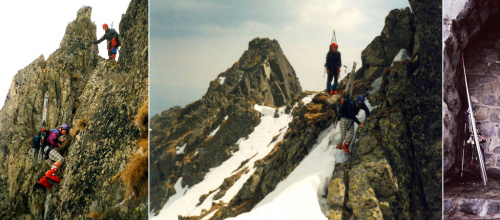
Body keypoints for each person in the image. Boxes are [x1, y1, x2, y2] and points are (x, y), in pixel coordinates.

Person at [38, 124, 70, 189]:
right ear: (62, 128)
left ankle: (43, 180)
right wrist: (57, 144)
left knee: (54, 165)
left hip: (43, 152)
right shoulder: (56, 131)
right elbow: (51, 140)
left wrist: (60, 142)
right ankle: (49, 175)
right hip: (47, 149)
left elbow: (52, 139)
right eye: (66, 131)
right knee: (60, 159)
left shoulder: (53, 131)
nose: (65, 133)